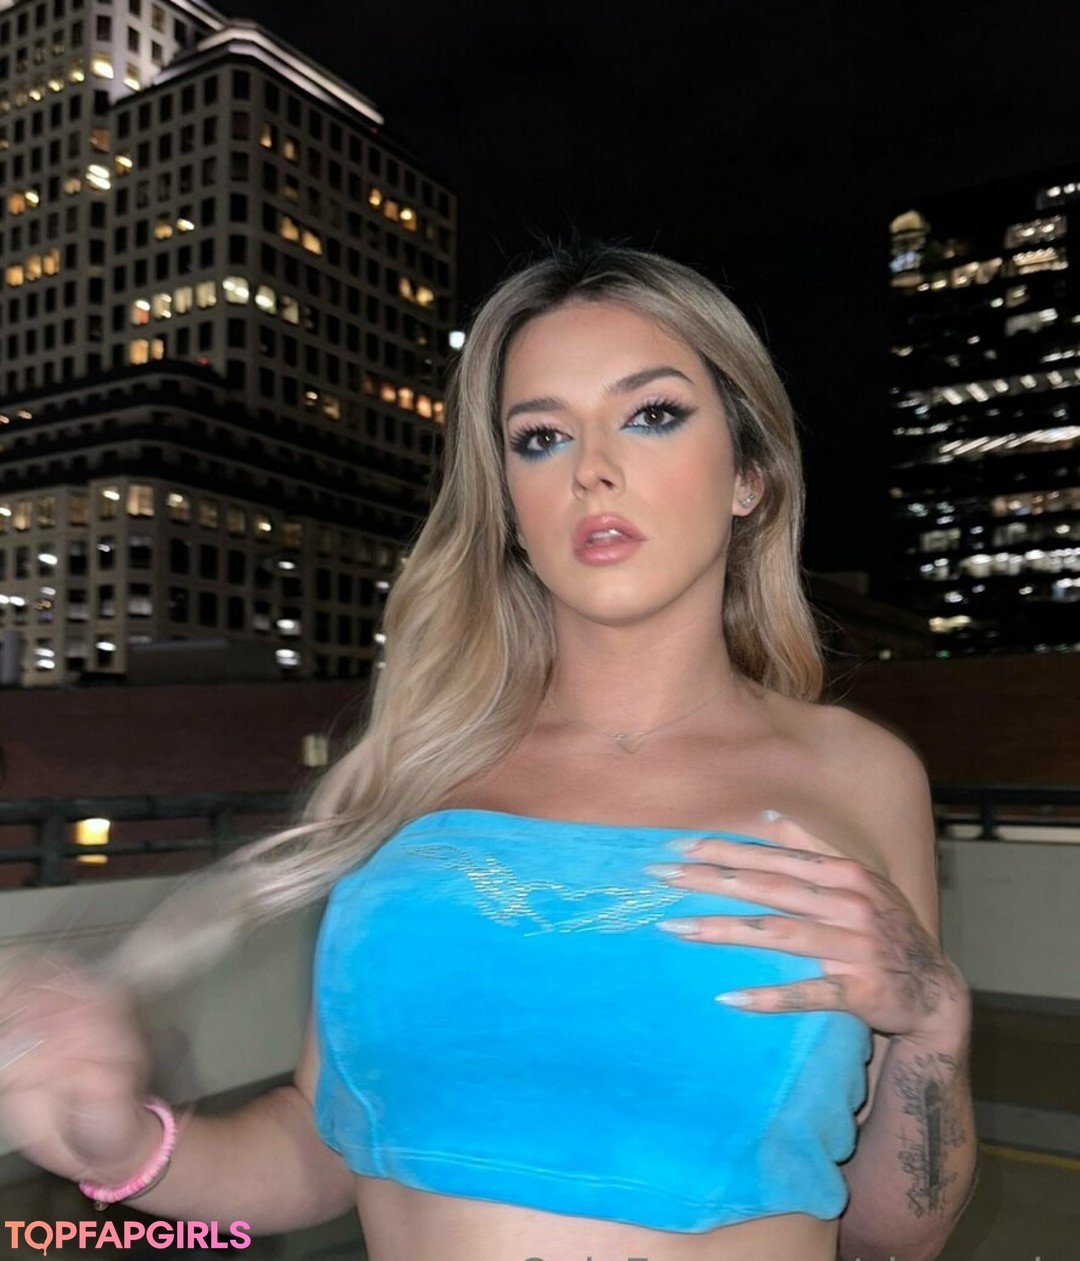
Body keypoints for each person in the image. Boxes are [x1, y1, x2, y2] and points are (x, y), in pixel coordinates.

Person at [0, 245, 976, 1261]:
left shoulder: (859, 776)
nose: (592, 468)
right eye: (541, 437)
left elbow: (893, 1231)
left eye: (652, 414)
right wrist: (126, 1146)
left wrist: (934, 1022)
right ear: (508, 503)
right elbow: (322, 1147)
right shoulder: (410, 774)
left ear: (749, 475)